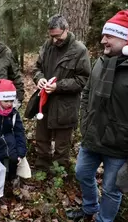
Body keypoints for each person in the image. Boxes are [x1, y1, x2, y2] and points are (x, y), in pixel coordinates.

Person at [67, 9, 128, 222]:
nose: (103, 41)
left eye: (108, 36)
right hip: (92, 139)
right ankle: (90, 209)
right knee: (82, 173)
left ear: (126, 37)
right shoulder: (102, 61)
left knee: (111, 189)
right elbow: (87, 94)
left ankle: (103, 220)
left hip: (121, 146)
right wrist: (85, 123)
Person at [32, 14, 91, 171]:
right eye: (51, 36)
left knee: (62, 144)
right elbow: (37, 68)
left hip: (66, 106)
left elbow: (83, 79)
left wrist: (59, 86)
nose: (54, 40)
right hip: (44, 102)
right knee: (42, 138)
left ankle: (59, 172)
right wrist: (39, 78)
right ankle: (41, 169)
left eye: (58, 36)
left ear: (67, 30)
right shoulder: (47, 45)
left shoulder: (79, 50)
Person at [0, 79, 27, 188]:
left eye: (11, 101)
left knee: (14, 158)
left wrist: (21, 151)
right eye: (6, 101)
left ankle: (12, 178)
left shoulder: (14, 113)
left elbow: (19, 131)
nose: (9, 104)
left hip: (8, 138)